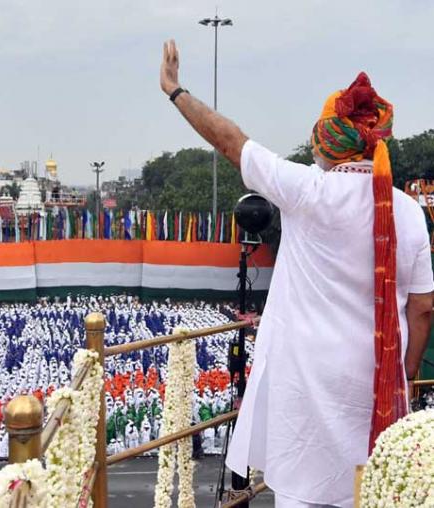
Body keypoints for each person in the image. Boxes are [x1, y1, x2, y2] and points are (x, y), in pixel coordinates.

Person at [159, 40, 433, 507]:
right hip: (379, 388)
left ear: (326, 142)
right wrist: (405, 376)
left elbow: (231, 141)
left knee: (301, 492)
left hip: (308, 392)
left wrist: (175, 90)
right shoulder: (408, 211)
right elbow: (423, 307)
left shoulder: (307, 191)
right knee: (372, 492)